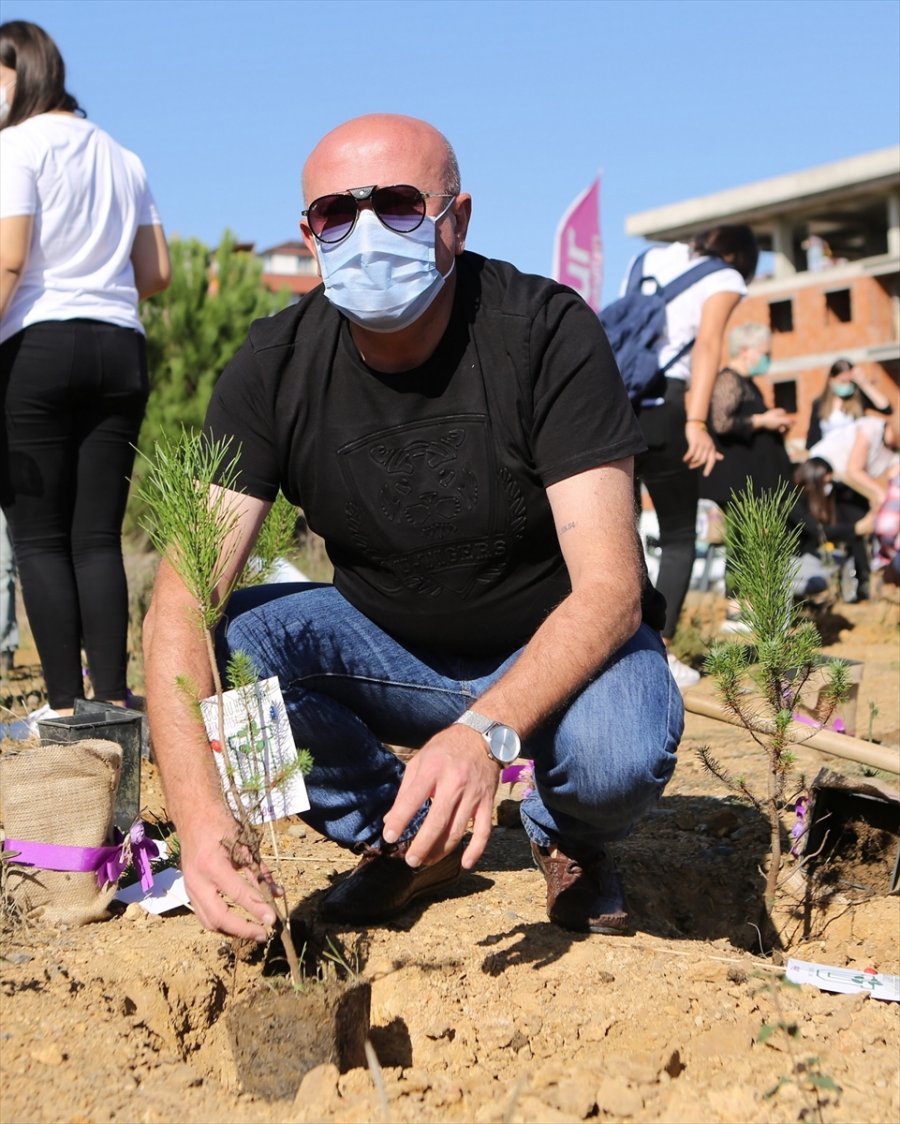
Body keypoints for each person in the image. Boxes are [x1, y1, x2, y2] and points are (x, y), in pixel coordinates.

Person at [142, 113, 682, 943]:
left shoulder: (543, 331)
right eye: (335, 214)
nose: (364, 233)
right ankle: (400, 835)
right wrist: (204, 817)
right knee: (226, 649)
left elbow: (610, 589)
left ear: (455, 219)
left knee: (619, 753)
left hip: (557, 649)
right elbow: (179, 601)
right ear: (308, 234)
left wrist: (484, 733)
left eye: (396, 205)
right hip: (390, 651)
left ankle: (565, 832)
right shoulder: (273, 364)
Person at [0, 21, 170, 712]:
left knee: (40, 538)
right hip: (119, 347)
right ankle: (115, 696)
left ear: (25, 72)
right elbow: (155, 271)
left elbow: (10, 258)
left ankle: (66, 707)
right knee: (96, 535)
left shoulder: (14, 146)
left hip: (37, 345)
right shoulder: (123, 156)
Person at [625, 225, 758, 688]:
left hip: (620, 401)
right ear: (739, 255)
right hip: (672, 404)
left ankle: (616, 644)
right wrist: (697, 424)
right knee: (680, 534)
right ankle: (657, 649)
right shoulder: (723, 277)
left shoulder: (645, 261)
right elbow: (708, 349)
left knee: (621, 532)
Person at [700, 322, 794, 512]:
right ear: (745, 351)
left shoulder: (748, 383)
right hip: (739, 487)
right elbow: (721, 423)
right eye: (764, 353)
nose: (768, 358)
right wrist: (763, 421)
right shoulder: (729, 380)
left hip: (758, 484)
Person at [805, 358, 893, 450]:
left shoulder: (857, 399)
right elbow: (813, 438)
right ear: (831, 380)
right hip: (829, 453)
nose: (847, 385)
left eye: (850, 382)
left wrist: (863, 382)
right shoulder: (819, 404)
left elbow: (886, 408)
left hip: (853, 452)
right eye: (843, 381)